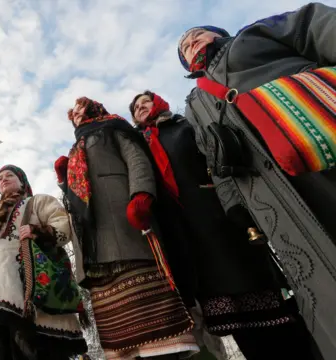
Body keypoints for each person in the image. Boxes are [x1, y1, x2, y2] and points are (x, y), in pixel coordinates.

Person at [177, 4, 336, 357]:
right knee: (315, 273)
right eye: (184, 46)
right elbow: (212, 158)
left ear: (218, 33)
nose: (190, 41)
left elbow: (316, 26)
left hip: (321, 133)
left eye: (195, 34)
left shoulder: (254, 35)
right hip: (267, 190)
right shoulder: (194, 104)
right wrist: (236, 206)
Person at [130, 90, 312, 359]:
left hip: (218, 217)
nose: (142, 108)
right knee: (232, 314)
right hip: (187, 236)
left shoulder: (183, 126)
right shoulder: (138, 147)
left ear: (158, 103)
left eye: (146, 101)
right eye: (135, 108)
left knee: (262, 295)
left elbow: (213, 156)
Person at [54, 97, 198, 359]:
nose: (74, 114)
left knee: (155, 319)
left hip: (124, 220)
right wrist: (64, 183)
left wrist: (141, 194)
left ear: (93, 107)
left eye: (79, 108)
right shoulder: (78, 146)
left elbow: (137, 160)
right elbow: (80, 195)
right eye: (71, 112)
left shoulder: (114, 128)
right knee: (120, 335)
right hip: (94, 240)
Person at [0, 165, 86, 360]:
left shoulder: (37, 202)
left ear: (22, 181)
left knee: (33, 350)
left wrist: (37, 230)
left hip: (29, 296)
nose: (3, 179)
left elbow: (62, 225)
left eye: (9, 176)